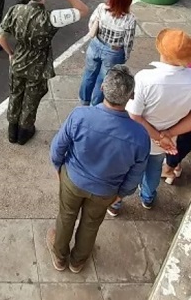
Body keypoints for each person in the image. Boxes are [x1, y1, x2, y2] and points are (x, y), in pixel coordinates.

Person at [48, 65, 150, 273]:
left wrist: (59, 169)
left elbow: (58, 147)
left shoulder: (80, 116)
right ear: (131, 96)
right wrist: (121, 194)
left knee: (66, 216)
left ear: (102, 87)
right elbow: (135, 175)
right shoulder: (140, 136)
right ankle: (78, 261)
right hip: (106, 191)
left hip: (73, 180)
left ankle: (60, 257)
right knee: (91, 224)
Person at [108, 29, 191, 215]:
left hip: (137, 138)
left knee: (126, 172)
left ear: (161, 50)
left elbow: (134, 115)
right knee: (154, 171)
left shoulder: (145, 78)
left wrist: (157, 136)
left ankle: (115, 204)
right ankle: (147, 197)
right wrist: (167, 135)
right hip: (166, 144)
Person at [0, 0, 88, 144]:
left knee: (16, 94)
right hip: (37, 68)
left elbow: (1, 37)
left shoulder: (15, 10)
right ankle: (24, 132)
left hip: (18, 62)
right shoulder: (51, 18)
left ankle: (12, 131)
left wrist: (10, 53)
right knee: (31, 100)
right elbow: (83, 10)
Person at [79, 0, 136, 107]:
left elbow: (91, 24)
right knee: (104, 79)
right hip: (114, 51)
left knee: (89, 74)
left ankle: (84, 102)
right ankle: (95, 105)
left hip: (96, 45)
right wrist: (125, 56)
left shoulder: (101, 8)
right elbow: (128, 42)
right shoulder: (130, 19)